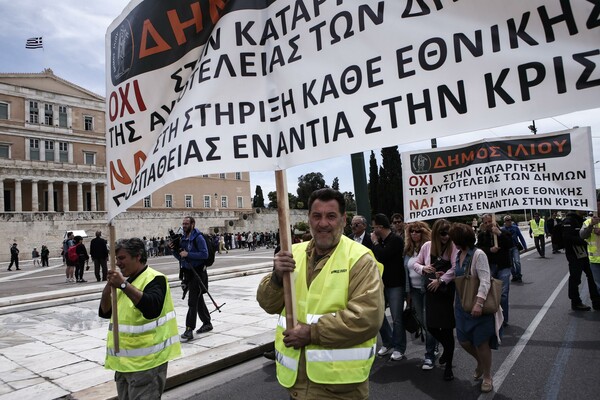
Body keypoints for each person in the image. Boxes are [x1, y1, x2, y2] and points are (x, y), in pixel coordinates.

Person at [256, 188, 384, 399]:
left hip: (340, 388)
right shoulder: (292, 254)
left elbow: (367, 318)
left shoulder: (360, 259)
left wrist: (311, 333)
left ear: (344, 219)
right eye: (317, 216)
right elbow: (267, 304)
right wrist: (277, 277)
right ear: (309, 219)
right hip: (296, 384)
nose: (323, 223)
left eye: (331, 216)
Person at [99, 237, 181, 399]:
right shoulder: (125, 282)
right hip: (123, 364)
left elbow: (151, 308)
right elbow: (105, 311)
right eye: (116, 259)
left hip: (147, 364)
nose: (118, 263)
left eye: (122, 258)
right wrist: (109, 285)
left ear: (138, 256)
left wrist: (123, 284)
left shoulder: (155, 279)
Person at [450, 223, 502, 394]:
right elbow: (455, 272)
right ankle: (480, 362)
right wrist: (441, 278)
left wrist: (479, 303)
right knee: (463, 340)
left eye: (454, 239)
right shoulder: (458, 254)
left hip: (477, 304)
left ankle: (487, 376)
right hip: (461, 305)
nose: (452, 242)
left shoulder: (478, 255)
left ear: (461, 240)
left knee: (481, 343)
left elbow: (485, 280)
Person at [413, 219, 457, 381]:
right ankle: (446, 347)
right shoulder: (427, 246)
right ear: (436, 233)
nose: (446, 237)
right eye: (443, 233)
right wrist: (424, 268)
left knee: (446, 328)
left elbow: (454, 268)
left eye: (448, 233)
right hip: (431, 291)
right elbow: (416, 264)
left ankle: (448, 367)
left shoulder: (453, 247)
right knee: (430, 325)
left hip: (445, 291)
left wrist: (441, 280)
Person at [371, 213, 407, 361]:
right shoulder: (382, 241)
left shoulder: (395, 240)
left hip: (395, 284)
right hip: (381, 283)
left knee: (397, 317)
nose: (372, 231)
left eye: (374, 227)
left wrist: (375, 243)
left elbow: (382, 256)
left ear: (380, 227)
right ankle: (388, 341)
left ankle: (399, 347)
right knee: (378, 314)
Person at [404, 220, 438, 371]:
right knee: (423, 323)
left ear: (424, 232)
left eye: (417, 231)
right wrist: (408, 292)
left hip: (428, 289)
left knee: (428, 321)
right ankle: (434, 343)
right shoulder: (408, 249)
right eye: (411, 231)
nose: (414, 234)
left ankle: (429, 355)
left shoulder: (431, 247)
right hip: (414, 290)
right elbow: (406, 271)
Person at [172, 216, 212, 341]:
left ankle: (189, 329)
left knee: (192, 301)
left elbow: (204, 254)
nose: (184, 225)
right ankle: (207, 323)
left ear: (193, 224)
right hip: (188, 273)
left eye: (186, 223)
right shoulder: (183, 238)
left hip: (198, 273)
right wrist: (174, 250)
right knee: (198, 299)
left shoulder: (198, 237)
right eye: (183, 223)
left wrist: (188, 254)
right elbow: (181, 258)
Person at [477, 214, 513, 327]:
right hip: (490, 267)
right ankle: (492, 317)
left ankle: (504, 319)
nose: (488, 224)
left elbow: (511, 245)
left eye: (489, 221)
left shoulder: (504, 232)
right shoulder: (482, 235)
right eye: (485, 222)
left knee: (503, 294)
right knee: (489, 293)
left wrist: (500, 234)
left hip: (503, 266)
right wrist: (489, 250)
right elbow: (479, 249)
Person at [562, 210, 600, 311]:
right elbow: (567, 238)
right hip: (574, 254)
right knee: (575, 278)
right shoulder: (569, 221)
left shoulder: (583, 220)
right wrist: (583, 240)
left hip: (585, 254)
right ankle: (575, 302)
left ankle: (596, 302)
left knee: (592, 277)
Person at [580, 209, 600, 309]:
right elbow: (582, 235)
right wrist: (591, 225)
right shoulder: (588, 222)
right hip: (595, 261)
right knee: (599, 286)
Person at [501, 215, 527, 283]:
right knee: (511, 264)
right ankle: (514, 275)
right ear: (505, 222)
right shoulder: (503, 230)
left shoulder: (515, 228)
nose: (509, 221)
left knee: (517, 262)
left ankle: (519, 275)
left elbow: (521, 237)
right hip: (507, 249)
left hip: (515, 247)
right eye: (507, 220)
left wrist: (525, 246)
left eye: (510, 220)